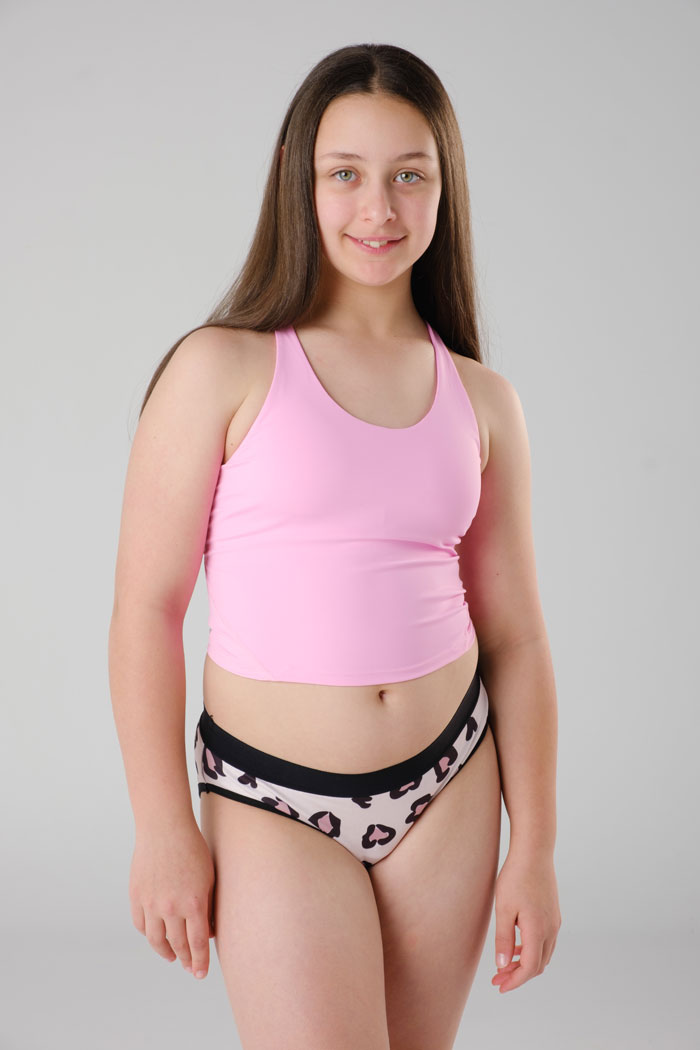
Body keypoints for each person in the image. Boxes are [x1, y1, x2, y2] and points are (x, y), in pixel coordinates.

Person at [108, 42, 561, 1050]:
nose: (379, 209)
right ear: (297, 180)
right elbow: (146, 610)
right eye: (345, 174)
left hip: (451, 786)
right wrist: (161, 827)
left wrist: (533, 850)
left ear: (444, 187)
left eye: (410, 175)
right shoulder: (219, 369)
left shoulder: (484, 401)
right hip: (271, 797)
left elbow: (519, 640)